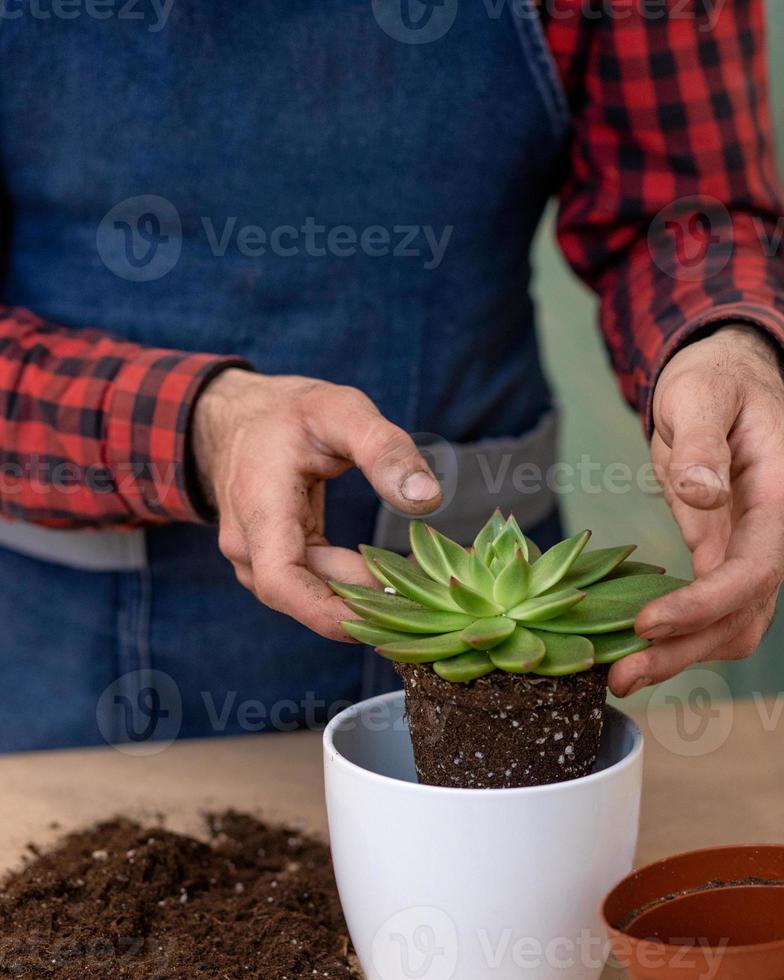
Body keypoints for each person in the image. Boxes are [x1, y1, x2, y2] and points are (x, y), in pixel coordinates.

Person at [0, 0, 782, 751]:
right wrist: (199, 424)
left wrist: (726, 342)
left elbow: (685, 211)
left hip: (495, 617)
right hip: (77, 640)